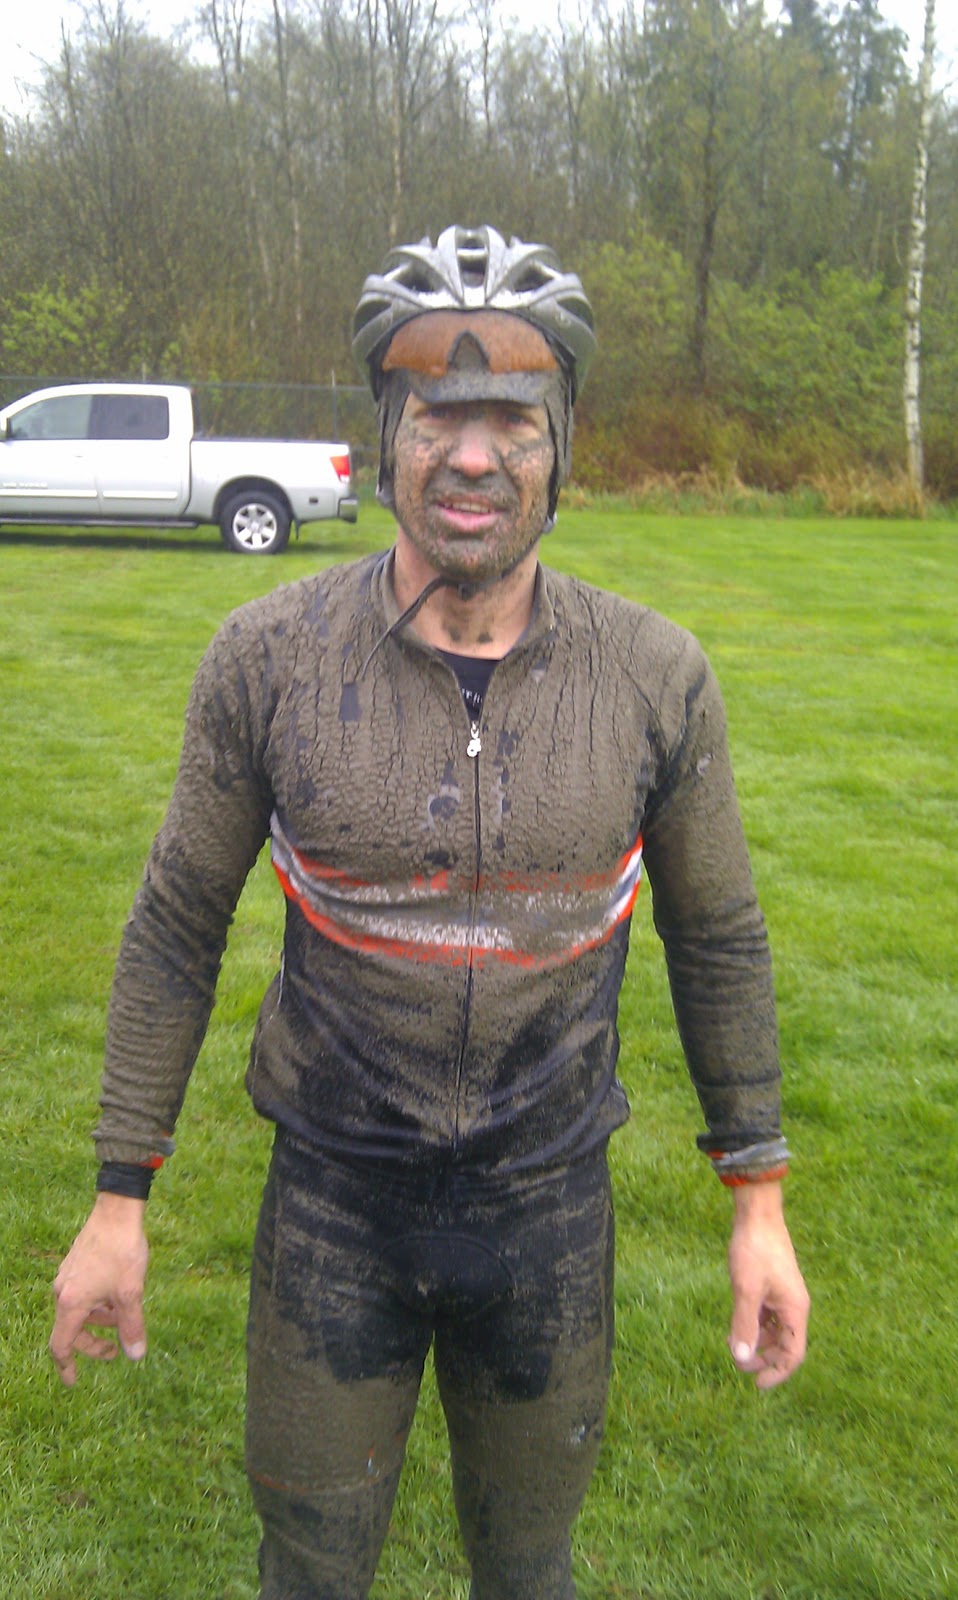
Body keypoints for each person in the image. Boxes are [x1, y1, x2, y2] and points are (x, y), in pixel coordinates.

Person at [50, 224, 809, 1599]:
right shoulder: (267, 658)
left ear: (562, 443)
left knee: (527, 1569)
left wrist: (756, 1202)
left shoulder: (654, 677)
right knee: (309, 1569)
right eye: (433, 417)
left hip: (548, 1214)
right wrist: (119, 1196)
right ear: (385, 435)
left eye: (510, 420)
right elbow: (174, 925)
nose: (471, 457)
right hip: (333, 1212)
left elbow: (717, 936)